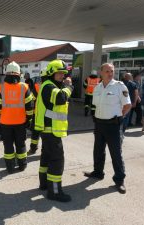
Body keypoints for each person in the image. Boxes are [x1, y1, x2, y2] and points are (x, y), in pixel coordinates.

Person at [84, 63, 131, 194]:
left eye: (112, 71)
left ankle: (119, 180)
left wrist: (120, 117)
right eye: (107, 71)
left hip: (113, 125)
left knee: (116, 153)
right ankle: (98, 172)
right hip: (99, 124)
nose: (110, 73)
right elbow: (96, 106)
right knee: (98, 150)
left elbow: (127, 105)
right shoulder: (98, 87)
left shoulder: (119, 86)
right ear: (101, 72)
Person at [34, 59, 73, 202]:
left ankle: (44, 185)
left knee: (46, 158)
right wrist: (69, 87)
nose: (62, 76)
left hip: (49, 131)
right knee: (57, 161)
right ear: (51, 73)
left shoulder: (50, 85)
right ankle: (54, 192)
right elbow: (61, 98)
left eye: (64, 73)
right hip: (51, 131)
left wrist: (64, 87)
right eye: (59, 73)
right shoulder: (49, 86)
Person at [0, 61, 33, 173]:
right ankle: (22, 165)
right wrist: (29, 119)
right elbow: (29, 107)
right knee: (21, 144)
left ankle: (10, 167)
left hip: (5, 123)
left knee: (8, 145)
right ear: (19, 74)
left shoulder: (0, 88)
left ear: (6, 73)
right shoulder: (25, 87)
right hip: (21, 122)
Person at [28, 69, 47, 155]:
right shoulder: (54, 86)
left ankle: (33, 148)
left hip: (37, 114)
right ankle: (45, 151)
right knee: (46, 135)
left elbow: (32, 99)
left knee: (35, 133)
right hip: (48, 115)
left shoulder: (37, 86)